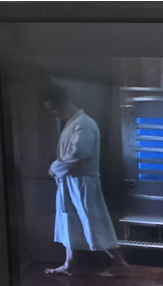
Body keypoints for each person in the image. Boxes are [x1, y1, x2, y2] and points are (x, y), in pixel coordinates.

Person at [42, 84, 128, 275]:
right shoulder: (72, 123)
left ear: (63, 103)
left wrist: (56, 167)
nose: (53, 114)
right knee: (69, 222)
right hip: (70, 181)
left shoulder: (84, 123)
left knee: (94, 222)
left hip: (83, 183)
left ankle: (119, 262)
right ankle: (70, 263)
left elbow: (80, 152)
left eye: (54, 109)